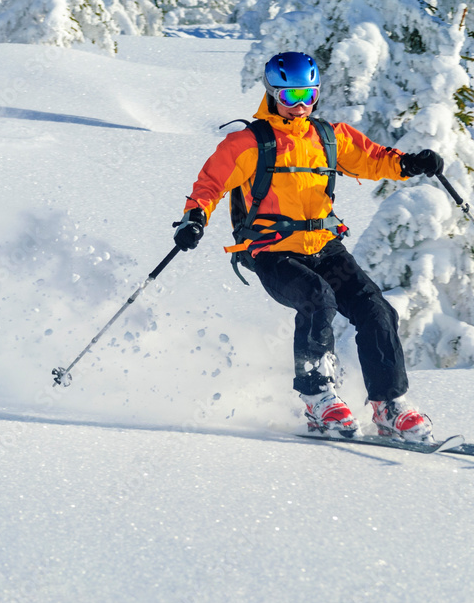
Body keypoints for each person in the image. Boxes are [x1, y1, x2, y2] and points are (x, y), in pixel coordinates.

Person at [172, 51, 444, 442]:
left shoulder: (329, 137)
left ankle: (389, 405)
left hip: (324, 247)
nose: (299, 105)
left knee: (375, 309)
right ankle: (318, 397)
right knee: (318, 299)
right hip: (272, 252)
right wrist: (193, 219)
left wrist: (411, 163)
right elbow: (210, 186)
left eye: (307, 94)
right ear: (271, 94)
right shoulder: (248, 143)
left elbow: (375, 160)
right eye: (289, 96)